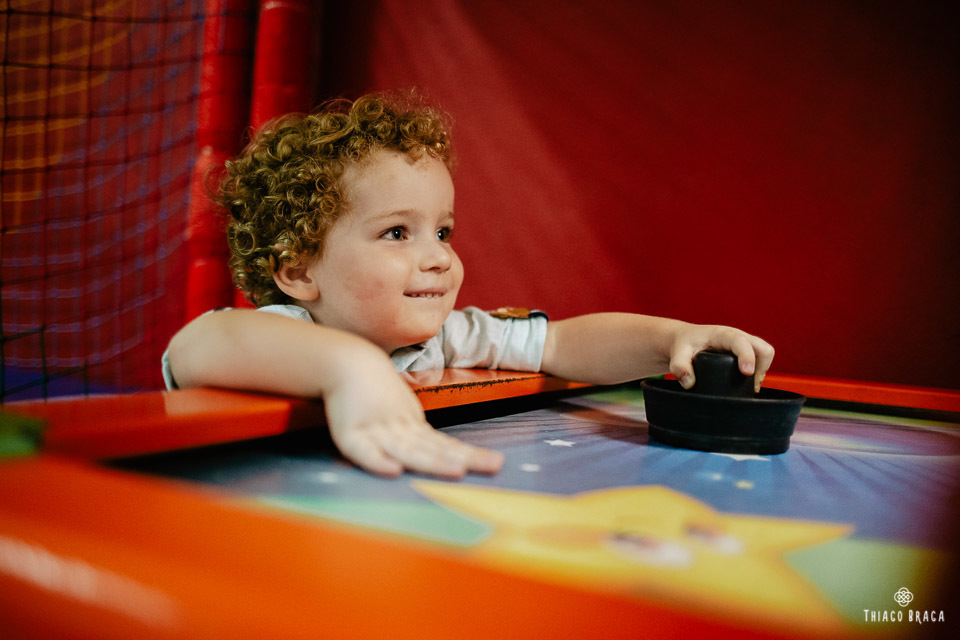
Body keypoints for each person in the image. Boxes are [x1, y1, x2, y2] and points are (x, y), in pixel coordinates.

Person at [164, 92, 775, 479]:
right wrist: (350, 370)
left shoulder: (446, 337)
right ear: (299, 272)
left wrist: (674, 338)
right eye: (397, 233)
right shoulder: (289, 332)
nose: (438, 258)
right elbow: (196, 345)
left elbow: (562, 343)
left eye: (443, 231)